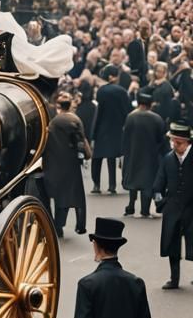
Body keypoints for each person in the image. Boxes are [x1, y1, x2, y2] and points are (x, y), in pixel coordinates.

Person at [152, 121, 193, 290]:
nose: (175, 145)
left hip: (192, 208)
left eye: (179, 142)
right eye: (173, 142)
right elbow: (158, 184)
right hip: (173, 208)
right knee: (172, 245)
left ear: (188, 142)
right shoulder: (168, 159)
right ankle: (174, 279)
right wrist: (161, 201)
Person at [44, 94, 90, 236]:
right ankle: (75, 224)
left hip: (54, 162)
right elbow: (80, 142)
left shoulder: (53, 122)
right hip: (71, 164)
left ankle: (58, 226)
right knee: (72, 194)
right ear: (69, 106)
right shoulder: (74, 120)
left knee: (59, 196)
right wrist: (85, 155)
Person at [123, 89, 167, 218]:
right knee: (148, 182)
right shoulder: (157, 118)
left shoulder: (131, 117)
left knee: (133, 180)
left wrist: (124, 154)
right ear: (150, 104)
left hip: (133, 154)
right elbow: (162, 139)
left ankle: (131, 206)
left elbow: (125, 137)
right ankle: (145, 210)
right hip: (151, 156)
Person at [91, 65, 131, 195]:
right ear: (113, 77)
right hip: (117, 128)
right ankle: (112, 184)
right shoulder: (122, 91)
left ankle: (96, 184)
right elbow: (127, 111)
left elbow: (99, 112)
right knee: (111, 158)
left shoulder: (101, 91)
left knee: (97, 158)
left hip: (102, 128)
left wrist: (93, 133)